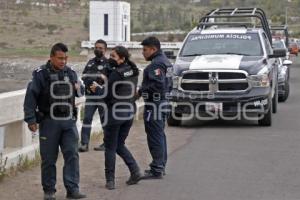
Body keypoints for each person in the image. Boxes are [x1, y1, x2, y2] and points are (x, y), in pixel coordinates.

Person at [23, 43, 86, 200]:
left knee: (72, 155)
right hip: (49, 122)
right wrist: (31, 119)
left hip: (68, 122)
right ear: (51, 57)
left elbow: (80, 92)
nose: (63, 61)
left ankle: (72, 189)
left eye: (65, 58)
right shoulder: (41, 75)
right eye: (59, 58)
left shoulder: (71, 73)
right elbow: (30, 98)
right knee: (49, 159)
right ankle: (49, 191)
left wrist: (79, 87)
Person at [90, 46, 141, 190]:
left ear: (122, 59)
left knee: (110, 147)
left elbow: (106, 94)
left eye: (113, 57)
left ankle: (110, 180)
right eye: (110, 56)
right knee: (119, 144)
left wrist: (97, 88)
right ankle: (135, 171)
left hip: (115, 114)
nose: (110, 59)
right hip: (129, 113)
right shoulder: (133, 70)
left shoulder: (116, 74)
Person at [137, 36, 173, 179]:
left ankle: (157, 168)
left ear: (153, 49)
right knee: (159, 134)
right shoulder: (166, 62)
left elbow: (157, 85)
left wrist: (141, 91)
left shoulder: (156, 64)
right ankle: (160, 165)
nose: (143, 53)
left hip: (155, 104)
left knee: (154, 135)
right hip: (164, 102)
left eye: (145, 50)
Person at [79, 39, 110, 152]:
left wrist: (97, 83)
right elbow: (84, 76)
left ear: (105, 50)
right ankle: (84, 144)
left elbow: (109, 79)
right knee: (87, 119)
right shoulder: (90, 62)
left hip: (103, 97)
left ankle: (107, 143)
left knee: (104, 120)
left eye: (100, 48)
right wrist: (92, 83)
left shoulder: (109, 63)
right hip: (91, 96)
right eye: (96, 47)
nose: (98, 49)